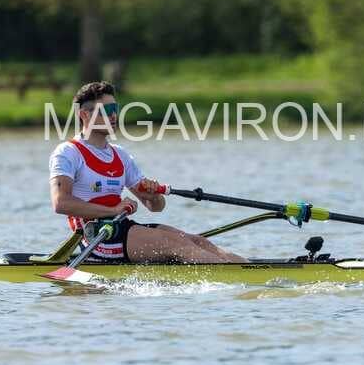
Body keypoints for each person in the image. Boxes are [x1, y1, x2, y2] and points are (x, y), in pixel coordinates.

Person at [49, 81, 247, 264]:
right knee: (177, 245)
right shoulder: (68, 152)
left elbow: (156, 207)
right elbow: (61, 203)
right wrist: (113, 210)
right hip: (95, 239)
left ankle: (250, 270)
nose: (113, 116)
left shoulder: (120, 155)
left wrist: (153, 195)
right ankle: (233, 277)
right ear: (84, 114)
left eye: (115, 109)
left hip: (121, 228)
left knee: (198, 241)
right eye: (106, 110)